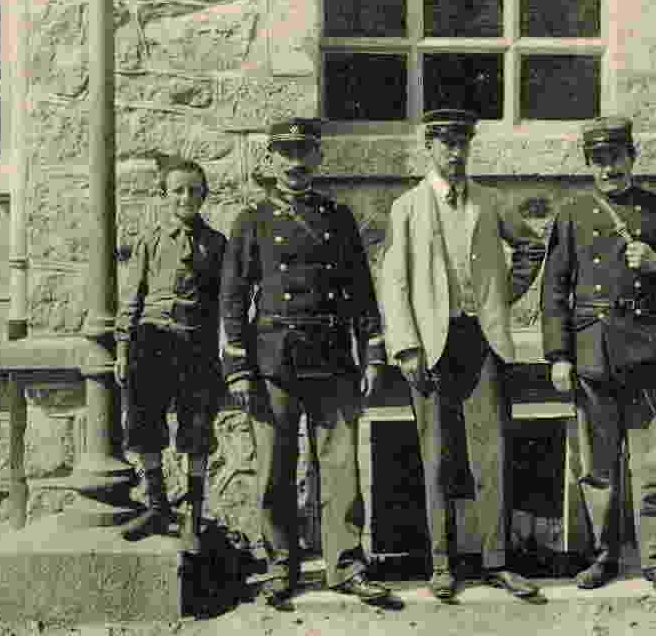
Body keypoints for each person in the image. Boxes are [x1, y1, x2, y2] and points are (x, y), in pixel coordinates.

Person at [219, 118, 398, 608]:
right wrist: (236, 365)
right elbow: (233, 298)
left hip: (333, 356)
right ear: (271, 159)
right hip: (274, 357)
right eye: (286, 153)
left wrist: (373, 351)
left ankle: (346, 565)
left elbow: (361, 290)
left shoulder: (337, 217)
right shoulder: (251, 220)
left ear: (317, 160)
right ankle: (280, 566)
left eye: (304, 153)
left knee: (341, 468)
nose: (295, 163)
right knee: (275, 468)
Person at [380, 109, 548, 602]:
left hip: (482, 341)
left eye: (462, 144)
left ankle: (497, 562)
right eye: (445, 144)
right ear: (428, 147)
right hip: (430, 345)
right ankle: (441, 563)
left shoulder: (490, 202)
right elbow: (393, 283)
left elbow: (531, 249)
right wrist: (406, 346)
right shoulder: (407, 207)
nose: (455, 153)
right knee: (436, 455)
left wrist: (501, 297)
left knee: (491, 451)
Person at [542, 117, 656, 595]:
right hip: (593, 351)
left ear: (632, 157)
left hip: (648, 350)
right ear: (589, 165)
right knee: (597, 466)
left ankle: (655, 559)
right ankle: (603, 555)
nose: (608, 167)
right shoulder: (571, 215)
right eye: (599, 160)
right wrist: (558, 354)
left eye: (616, 157)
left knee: (651, 462)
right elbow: (555, 291)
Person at [116, 156, 227, 552]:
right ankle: (159, 505)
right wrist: (124, 346)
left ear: (204, 196)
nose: (186, 197)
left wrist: (223, 352)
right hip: (152, 342)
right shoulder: (150, 241)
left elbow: (222, 303)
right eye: (177, 190)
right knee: (145, 423)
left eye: (194, 191)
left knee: (196, 429)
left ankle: (194, 515)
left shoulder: (216, 244)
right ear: (164, 195)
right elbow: (132, 296)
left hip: (196, 345)